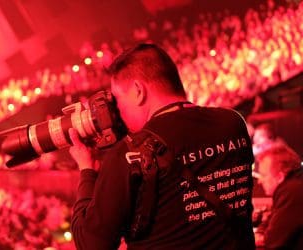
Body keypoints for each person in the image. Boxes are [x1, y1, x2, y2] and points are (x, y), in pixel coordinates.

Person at [68, 43, 255, 249]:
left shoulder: (129, 154)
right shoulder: (233, 123)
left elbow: (90, 244)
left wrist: (87, 170)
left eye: (118, 99)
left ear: (139, 90)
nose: (117, 111)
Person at [255, 144, 303, 249]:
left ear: (280, 176)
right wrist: (261, 232)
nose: (259, 181)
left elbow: (272, 241)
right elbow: (270, 219)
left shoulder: (292, 192)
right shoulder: (290, 187)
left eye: (263, 175)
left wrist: (260, 237)